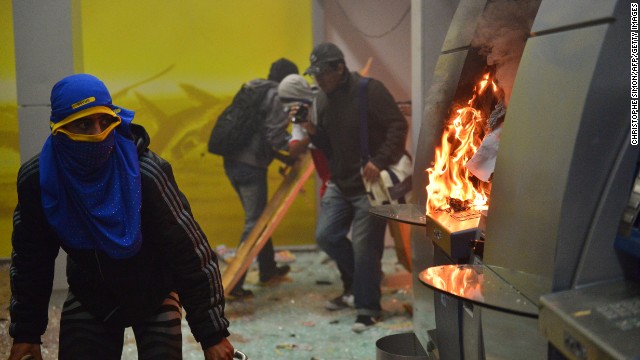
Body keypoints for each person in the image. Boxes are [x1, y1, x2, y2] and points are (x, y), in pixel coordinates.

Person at [8, 74, 235, 360]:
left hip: (155, 291)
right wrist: (26, 333)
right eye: (83, 124)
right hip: (90, 293)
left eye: (105, 122)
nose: (98, 133)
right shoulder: (41, 180)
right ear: (59, 129)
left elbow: (191, 253)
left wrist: (213, 334)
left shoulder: (145, 174)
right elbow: (31, 259)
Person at [303, 43, 409, 333]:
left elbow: (397, 126)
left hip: (370, 185)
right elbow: (328, 145)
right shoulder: (322, 100)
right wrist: (314, 133)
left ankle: (367, 307)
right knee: (326, 236)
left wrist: (380, 159)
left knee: (365, 248)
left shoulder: (369, 91)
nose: (318, 80)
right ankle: (355, 285)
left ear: (339, 68)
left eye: (322, 74)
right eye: (315, 75)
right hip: (341, 181)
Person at [222, 58, 298, 299]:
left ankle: (267, 270)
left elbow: (259, 134)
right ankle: (235, 283)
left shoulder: (254, 88)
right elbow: (276, 137)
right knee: (255, 223)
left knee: (260, 218)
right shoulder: (276, 95)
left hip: (232, 161)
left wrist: (283, 158)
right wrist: (298, 145)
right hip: (250, 167)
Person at [277, 74, 331, 197]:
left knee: (376, 210)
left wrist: (314, 131)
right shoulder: (299, 114)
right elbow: (294, 151)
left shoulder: (325, 102)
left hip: (345, 169)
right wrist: (307, 127)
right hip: (327, 175)